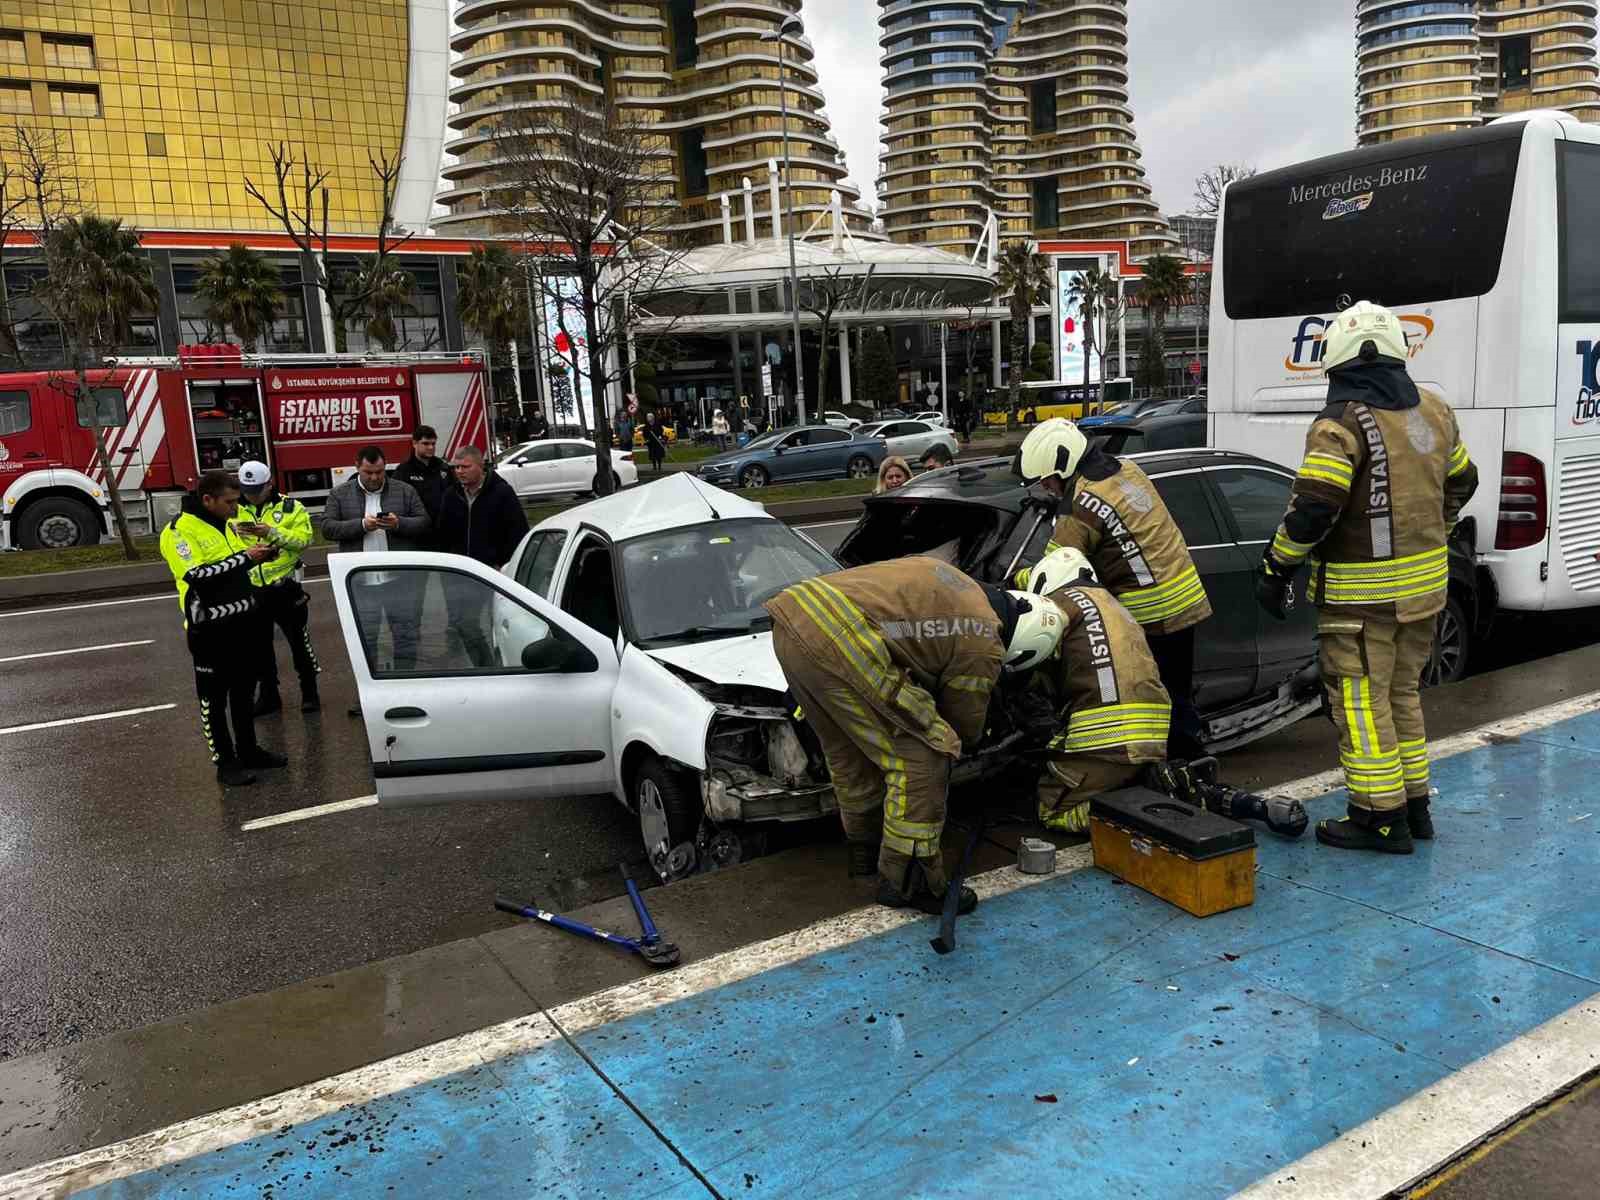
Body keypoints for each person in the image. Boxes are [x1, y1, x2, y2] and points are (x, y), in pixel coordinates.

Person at [1258, 301, 1478, 854]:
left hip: (1363, 599)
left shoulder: (1340, 424)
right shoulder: (1434, 408)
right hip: (1428, 587)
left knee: (1360, 703)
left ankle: (1378, 818)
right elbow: (1464, 478)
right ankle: (1414, 806)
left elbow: (1314, 507)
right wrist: (1438, 527)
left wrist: (1277, 565)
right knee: (1403, 694)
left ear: (1339, 362)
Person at [767, 557, 1065, 914]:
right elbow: (963, 725)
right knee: (924, 755)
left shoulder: (963, 586)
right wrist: (969, 735)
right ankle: (910, 882)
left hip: (793, 619)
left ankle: (865, 853)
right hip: (842, 637)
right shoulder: (985, 638)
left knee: (852, 756)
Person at [1015, 417, 1212, 763]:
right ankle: (1192, 761)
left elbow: (1056, 571)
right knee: (1178, 692)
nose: (1046, 487)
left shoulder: (1080, 506)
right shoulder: (1128, 470)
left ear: (1062, 467)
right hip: (1186, 598)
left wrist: (1016, 580)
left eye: (1046, 480)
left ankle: (1176, 769)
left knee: (1152, 698)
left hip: (1151, 613)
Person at [1023, 546, 1171, 834]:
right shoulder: (1113, 605)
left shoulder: (1054, 610)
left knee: (1052, 812)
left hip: (1107, 740)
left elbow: (1036, 674)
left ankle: (1137, 808)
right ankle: (1139, 781)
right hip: (1154, 733)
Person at [160, 470, 287, 787]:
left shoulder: (227, 524)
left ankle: (248, 751)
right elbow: (196, 575)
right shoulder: (178, 531)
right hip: (209, 630)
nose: (235, 507)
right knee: (213, 700)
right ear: (208, 499)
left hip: (244, 623)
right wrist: (246, 558)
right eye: (229, 501)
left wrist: (263, 556)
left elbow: (232, 569)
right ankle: (225, 763)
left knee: (243, 694)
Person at [321, 447, 432, 701]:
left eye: (379, 471)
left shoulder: (404, 490)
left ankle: (405, 692)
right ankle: (371, 698)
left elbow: (424, 522)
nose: (374, 477)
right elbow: (327, 527)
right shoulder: (340, 494)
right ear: (356, 467)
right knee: (365, 641)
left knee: (405, 636)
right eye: (368, 472)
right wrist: (361, 525)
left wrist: (399, 523)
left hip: (399, 581)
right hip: (360, 582)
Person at [235, 461, 321, 715]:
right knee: (259, 647)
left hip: (285, 588)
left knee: (299, 644)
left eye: (256, 489)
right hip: (251, 590)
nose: (250, 495)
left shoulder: (291, 507)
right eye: (246, 489)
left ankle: (310, 693)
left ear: (270, 483)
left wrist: (272, 533)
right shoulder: (233, 508)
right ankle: (269, 696)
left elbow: (304, 540)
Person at [436, 445, 531, 667]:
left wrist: (504, 564)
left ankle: (501, 666)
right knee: (463, 622)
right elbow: (442, 533)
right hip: (459, 573)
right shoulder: (451, 495)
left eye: (465, 467)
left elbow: (517, 532)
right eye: (456, 467)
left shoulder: (502, 493)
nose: (459, 471)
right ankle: (486, 666)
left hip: (492, 572)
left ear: (480, 467)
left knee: (497, 622)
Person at [392, 425, 452, 541]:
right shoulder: (404, 471)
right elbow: (397, 502)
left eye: (433, 444)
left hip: (443, 533)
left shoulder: (443, 468)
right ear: (414, 443)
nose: (430, 447)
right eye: (425, 443)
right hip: (417, 535)